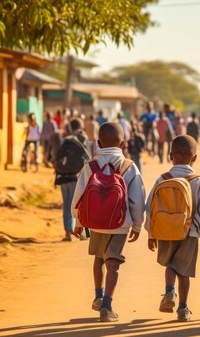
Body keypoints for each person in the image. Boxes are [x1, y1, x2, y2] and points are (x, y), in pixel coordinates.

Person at [71, 122, 146, 323]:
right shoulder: (129, 166)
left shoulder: (90, 166)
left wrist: (78, 220)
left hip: (95, 221)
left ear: (97, 143)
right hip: (120, 223)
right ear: (122, 144)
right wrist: (137, 224)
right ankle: (107, 304)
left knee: (98, 257)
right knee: (113, 262)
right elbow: (137, 199)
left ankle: (98, 295)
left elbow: (80, 195)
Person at [145, 135, 200, 322]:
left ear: (171, 156)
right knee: (184, 272)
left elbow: (150, 207)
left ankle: (169, 292)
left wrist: (151, 233)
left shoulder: (162, 179)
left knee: (170, 266)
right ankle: (183, 308)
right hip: (189, 232)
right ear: (194, 158)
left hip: (165, 231)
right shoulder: (197, 181)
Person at [54, 118, 90, 242]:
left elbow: (57, 157)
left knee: (67, 204)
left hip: (63, 177)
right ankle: (83, 233)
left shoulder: (66, 140)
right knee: (79, 205)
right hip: (76, 177)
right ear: (80, 126)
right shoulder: (83, 140)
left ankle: (68, 232)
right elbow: (88, 159)